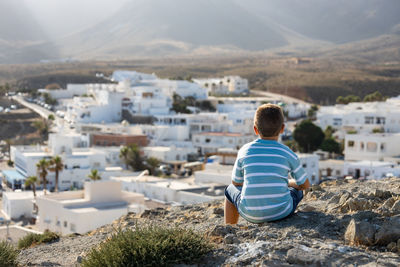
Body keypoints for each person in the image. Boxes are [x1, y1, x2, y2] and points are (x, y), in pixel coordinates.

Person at [224, 103, 310, 224]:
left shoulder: (245, 150)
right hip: (282, 212)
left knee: (229, 190)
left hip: (250, 214)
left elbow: (236, 183)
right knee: (298, 191)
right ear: (282, 128)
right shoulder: (288, 153)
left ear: (255, 129)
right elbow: (305, 185)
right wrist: (289, 183)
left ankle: (229, 227)